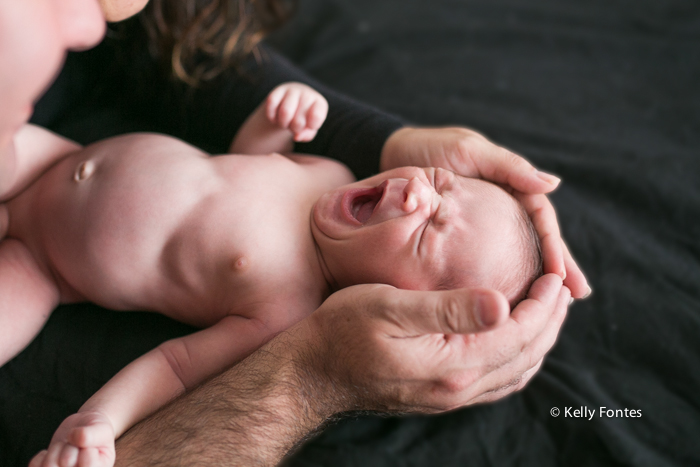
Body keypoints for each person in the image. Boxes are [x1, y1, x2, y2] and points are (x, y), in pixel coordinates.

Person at [0, 0, 589, 466]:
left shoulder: (284, 307)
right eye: (440, 183)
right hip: (49, 156)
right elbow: (244, 160)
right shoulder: (327, 171)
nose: (417, 193)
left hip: (44, 268)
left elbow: (177, 365)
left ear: (401, 303)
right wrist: (275, 122)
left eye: (426, 229)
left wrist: (101, 420)